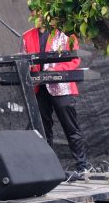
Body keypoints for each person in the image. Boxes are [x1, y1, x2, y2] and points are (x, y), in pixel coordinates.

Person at [22, 19, 89, 171]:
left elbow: (74, 60)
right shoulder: (27, 36)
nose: (36, 15)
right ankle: (46, 167)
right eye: (33, 11)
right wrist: (29, 67)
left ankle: (82, 166)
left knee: (70, 127)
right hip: (39, 87)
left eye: (39, 11)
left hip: (61, 86)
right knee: (42, 129)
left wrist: (57, 69)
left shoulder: (66, 34)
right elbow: (23, 60)